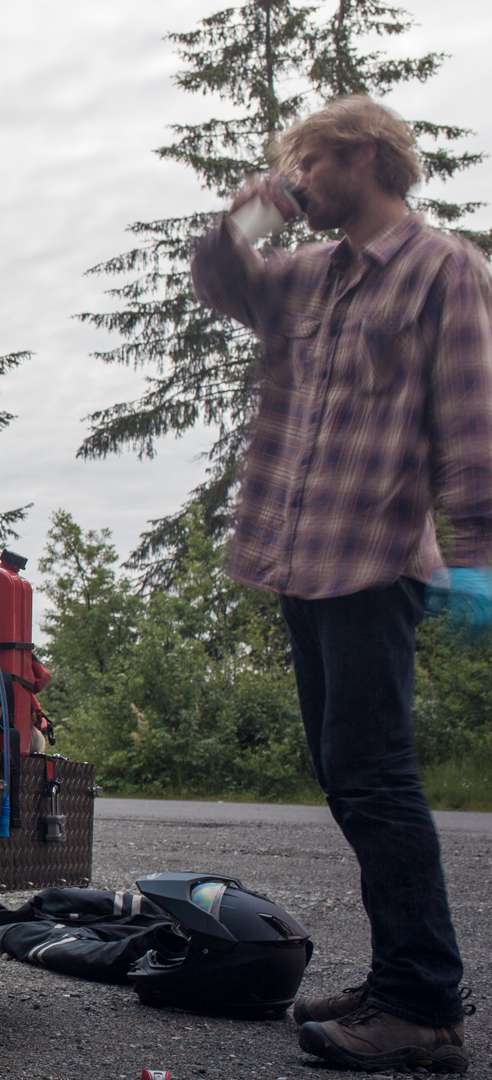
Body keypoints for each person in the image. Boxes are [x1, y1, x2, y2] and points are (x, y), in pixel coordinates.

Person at [190, 94, 488, 1073]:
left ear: (364, 156)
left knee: (375, 777)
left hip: (374, 559)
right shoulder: (308, 276)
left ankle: (422, 1006)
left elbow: (470, 421)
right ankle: (405, 973)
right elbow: (216, 273)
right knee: (347, 776)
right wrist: (260, 206)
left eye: (309, 165)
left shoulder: (443, 270)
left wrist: (479, 555)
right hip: (301, 558)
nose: (302, 181)